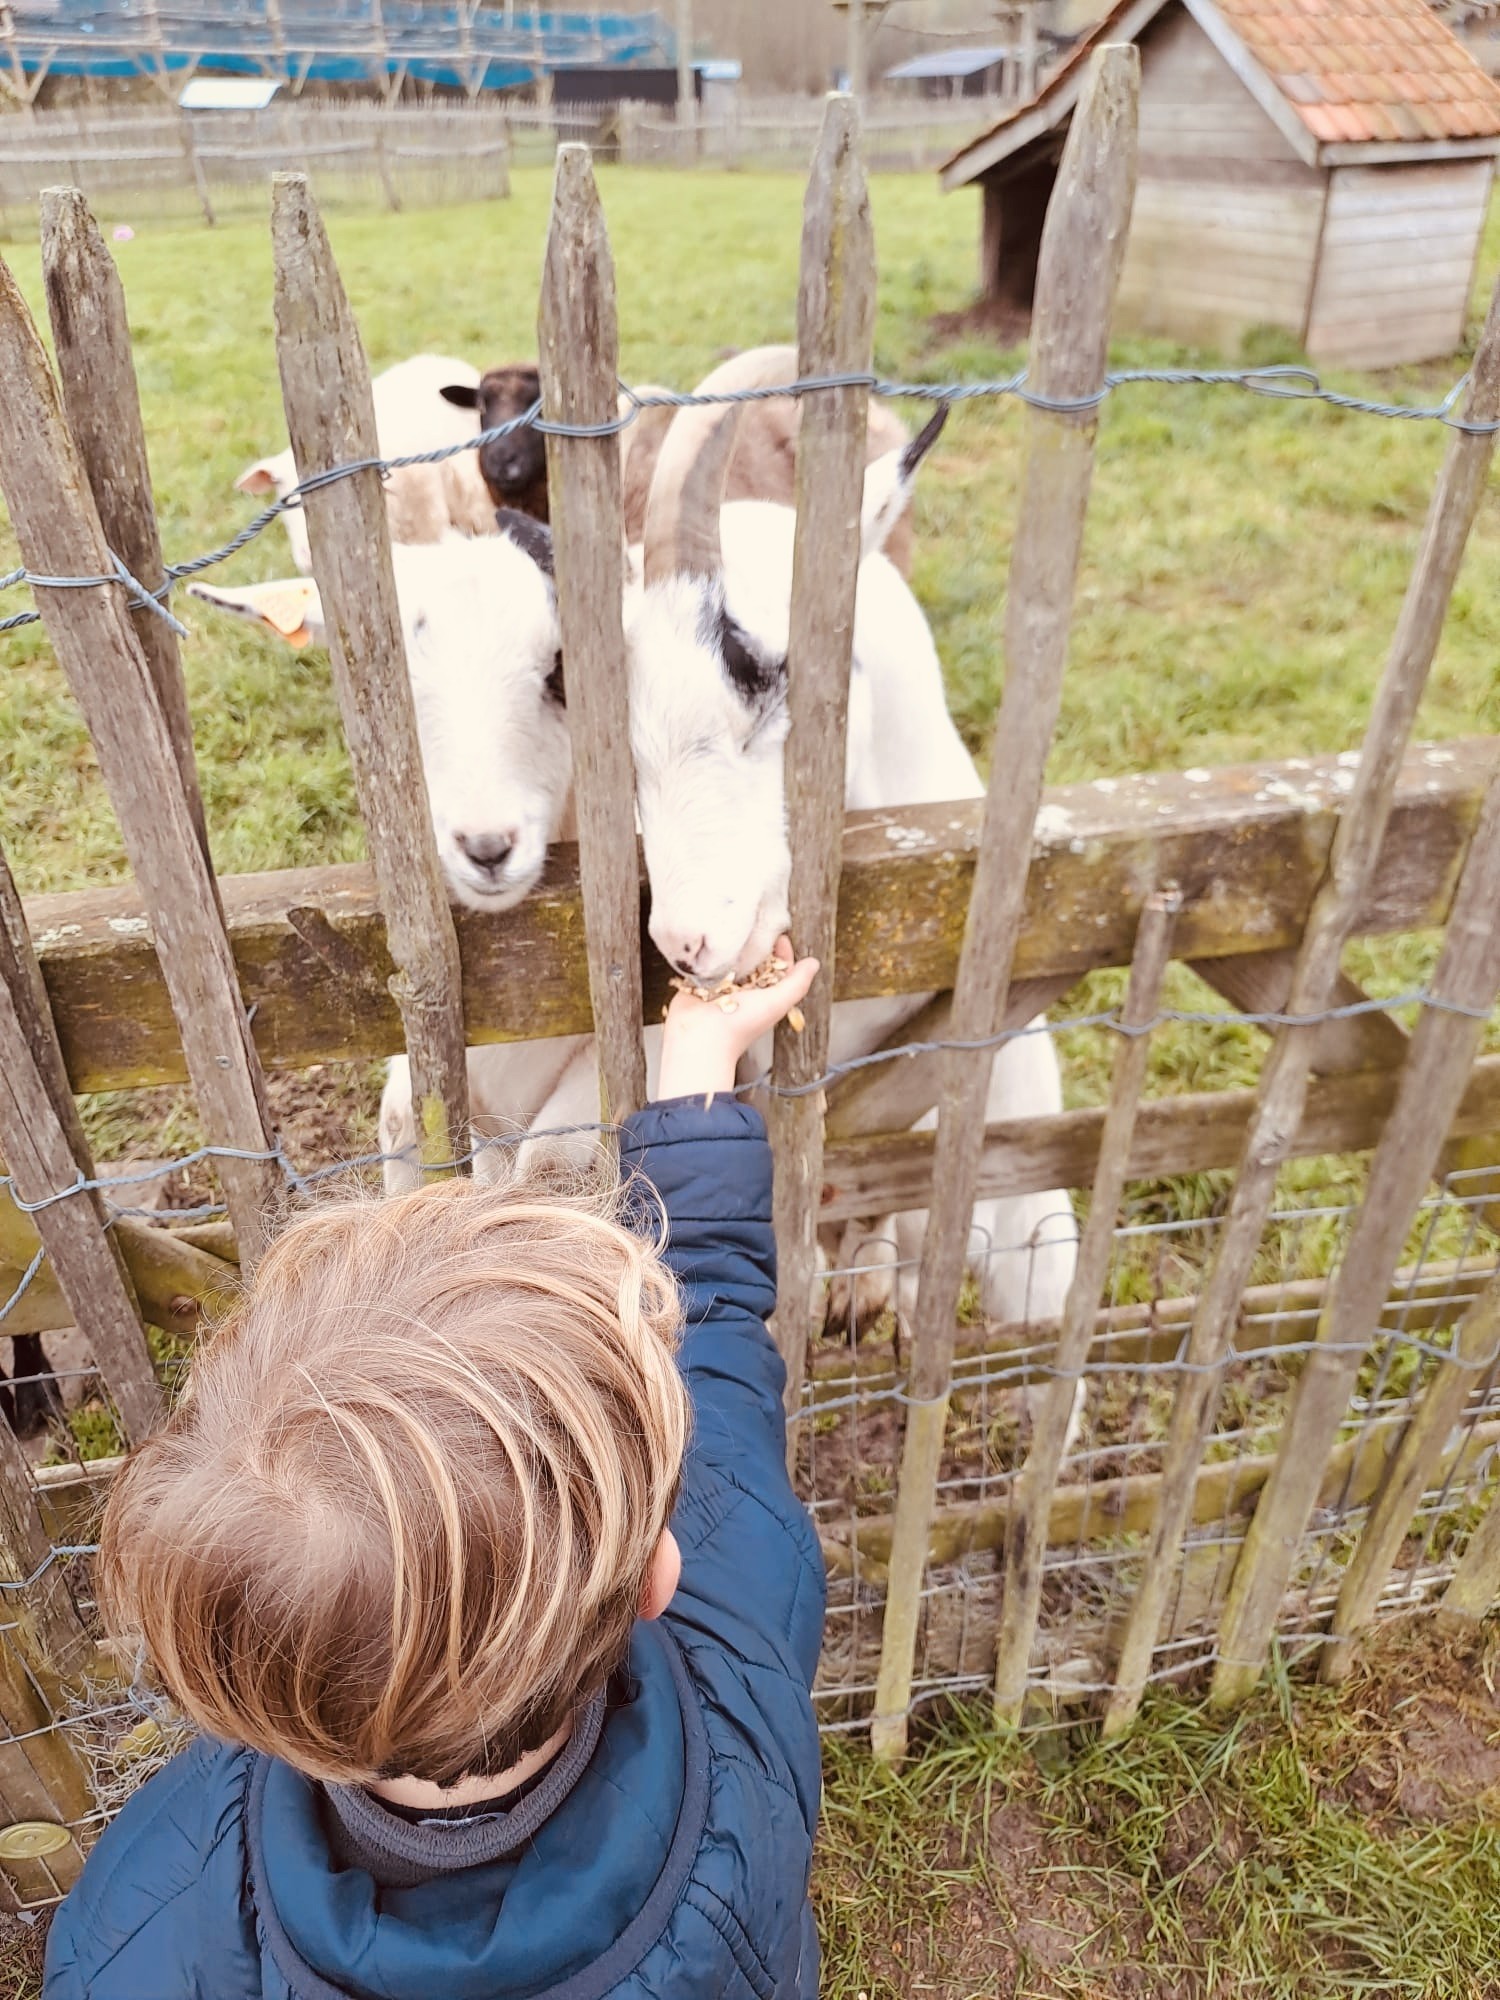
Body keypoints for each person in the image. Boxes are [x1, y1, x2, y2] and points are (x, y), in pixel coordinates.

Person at [44, 941, 826, 2000]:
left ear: (249, 1683)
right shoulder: (739, 1653)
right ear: (656, 1577)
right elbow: (722, 1336)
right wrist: (695, 1078)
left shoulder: (146, 1924)